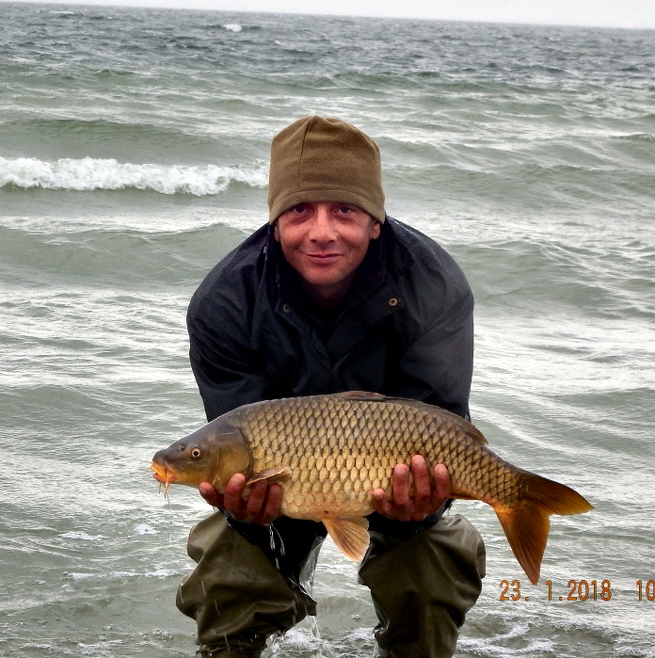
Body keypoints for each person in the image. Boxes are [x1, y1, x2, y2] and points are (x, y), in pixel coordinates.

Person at [177, 115, 486, 658]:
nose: (322, 231)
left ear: (374, 220)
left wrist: (423, 502)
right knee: (227, 576)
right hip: (284, 488)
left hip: (396, 484)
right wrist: (244, 506)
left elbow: (444, 428)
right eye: (299, 211)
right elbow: (234, 442)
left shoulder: (434, 284)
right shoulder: (224, 303)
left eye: (344, 209)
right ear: (275, 223)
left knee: (436, 567)